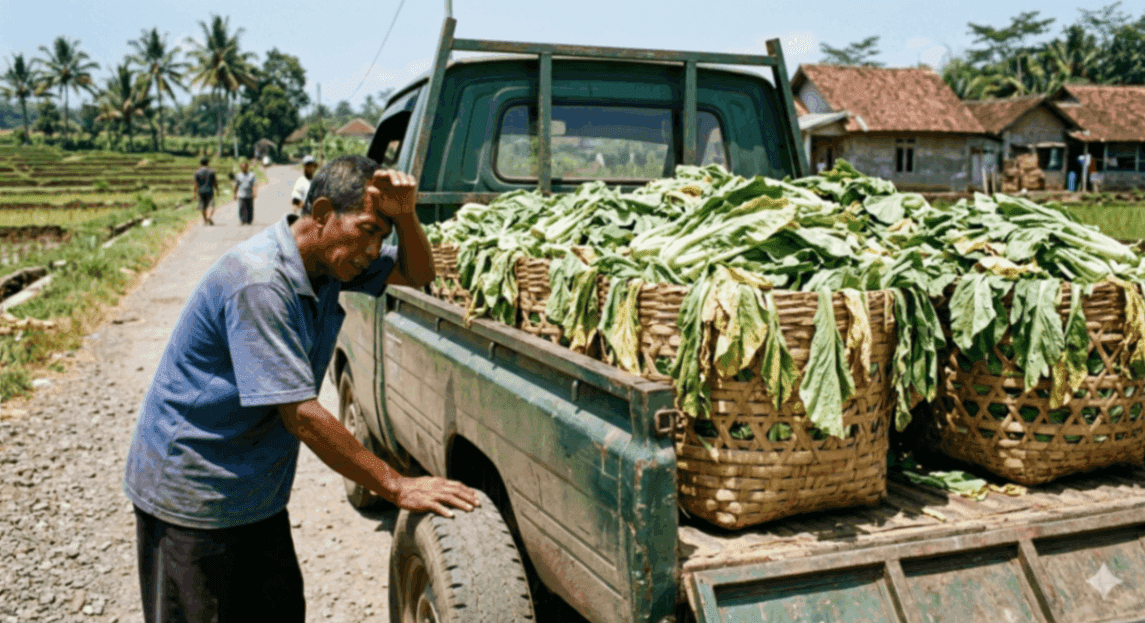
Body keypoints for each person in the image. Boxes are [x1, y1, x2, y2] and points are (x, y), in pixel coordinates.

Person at [123, 155, 478, 622]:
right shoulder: (261, 281)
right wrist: (395, 484)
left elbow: (418, 274)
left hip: (255, 497)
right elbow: (301, 416)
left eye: (383, 238)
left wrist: (405, 216)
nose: (374, 250)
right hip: (192, 497)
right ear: (325, 213)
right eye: (369, 230)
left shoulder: (334, 264)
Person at [193, 156, 218, 226]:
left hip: (201, 191)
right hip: (209, 190)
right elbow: (215, 182)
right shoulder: (212, 171)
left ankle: (205, 220)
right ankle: (209, 217)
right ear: (207, 162)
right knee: (211, 205)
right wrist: (217, 190)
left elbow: (195, 183)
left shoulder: (197, 172)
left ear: (200, 163)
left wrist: (194, 193)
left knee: (203, 206)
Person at [234, 159, 257, 225]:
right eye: (242, 167)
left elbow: (254, 184)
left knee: (250, 208)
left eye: (245, 167)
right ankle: (242, 220)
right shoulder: (238, 175)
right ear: (241, 168)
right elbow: (236, 185)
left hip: (249, 194)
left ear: (247, 167)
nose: (244, 168)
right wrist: (235, 194)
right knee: (241, 208)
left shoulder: (252, 175)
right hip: (241, 194)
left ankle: (249, 220)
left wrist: (254, 192)